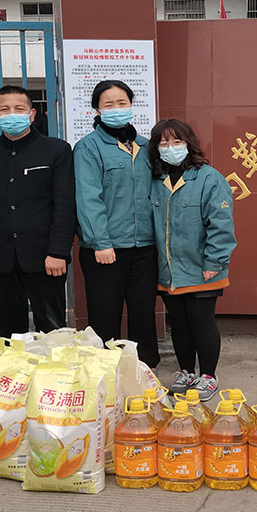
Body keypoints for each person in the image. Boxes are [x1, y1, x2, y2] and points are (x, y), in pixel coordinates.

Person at [0, 86, 76, 336]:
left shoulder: (56, 150)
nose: (12, 114)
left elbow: (64, 205)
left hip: (46, 258)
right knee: (6, 333)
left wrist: (58, 251)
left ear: (32, 114)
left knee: (52, 331)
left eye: (19, 109)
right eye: (4, 109)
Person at [148, 119, 236, 400]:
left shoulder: (209, 178)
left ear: (189, 144)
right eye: (164, 143)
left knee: (201, 322)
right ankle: (186, 372)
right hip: (169, 271)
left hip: (201, 268)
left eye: (177, 142)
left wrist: (214, 261)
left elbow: (221, 224)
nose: (170, 148)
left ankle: (208, 376)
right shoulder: (156, 180)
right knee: (179, 324)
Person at [73, 80, 159, 367]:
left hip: (144, 245)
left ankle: (143, 368)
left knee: (143, 311)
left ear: (131, 105)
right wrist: (100, 242)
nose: (116, 108)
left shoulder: (146, 146)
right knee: (105, 314)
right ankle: (105, 369)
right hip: (105, 248)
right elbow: (88, 197)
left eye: (122, 103)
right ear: (97, 110)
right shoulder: (88, 147)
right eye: (108, 104)